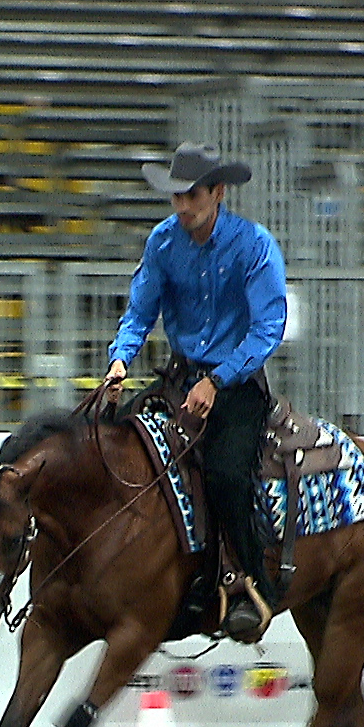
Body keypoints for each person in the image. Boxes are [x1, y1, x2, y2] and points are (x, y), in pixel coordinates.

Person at [103, 142, 288, 643]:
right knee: (118, 447)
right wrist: (120, 359)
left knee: (226, 472)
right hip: (180, 378)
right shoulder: (163, 243)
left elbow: (267, 328)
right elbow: (140, 312)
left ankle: (251, 583)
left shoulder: (253, 246)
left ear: (217, 192)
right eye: (176, 197)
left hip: (238, 383)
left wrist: (217, 380)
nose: (182, 206)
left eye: (192, 196)